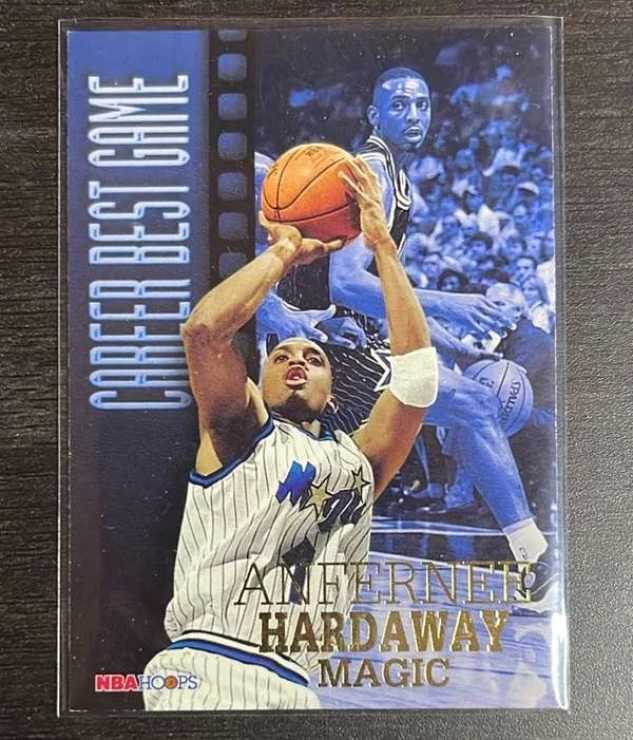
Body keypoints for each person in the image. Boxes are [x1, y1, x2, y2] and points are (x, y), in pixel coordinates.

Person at [143, 159, 439, 711]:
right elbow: (203, 332)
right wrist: (283, 251)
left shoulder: (359, 463)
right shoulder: (238, 433)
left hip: (298, 687)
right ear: (257, 383)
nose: (296, 359)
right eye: (280, 356)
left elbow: (419, 381)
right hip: (208, 666)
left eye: (314, 357)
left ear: (334, 395)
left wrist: (383, 246)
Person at [276, 67, 553, 598]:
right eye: (399, 105)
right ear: (375, 115)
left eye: (422, 105)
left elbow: (388, 294)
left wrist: (453, 346)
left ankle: (532, 559)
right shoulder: (372, 170)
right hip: (320, 342)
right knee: (472, 405)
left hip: (349, 339)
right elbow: (346, 282)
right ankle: (533, 559)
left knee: (465, 405)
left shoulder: (398, 181)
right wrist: (453, 303)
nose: (414, 115)